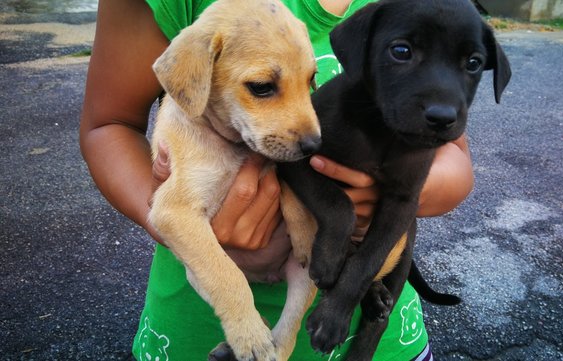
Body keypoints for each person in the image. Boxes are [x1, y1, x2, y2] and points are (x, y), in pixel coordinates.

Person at [79, 0, 474, 360]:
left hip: (380, 337)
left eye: (309, 83)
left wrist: (393, 197)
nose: (310, 133)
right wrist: (197, 237)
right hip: (192, 334)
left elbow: (454, 156)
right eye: (262, 87)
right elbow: (107, 124)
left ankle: (281, 346)